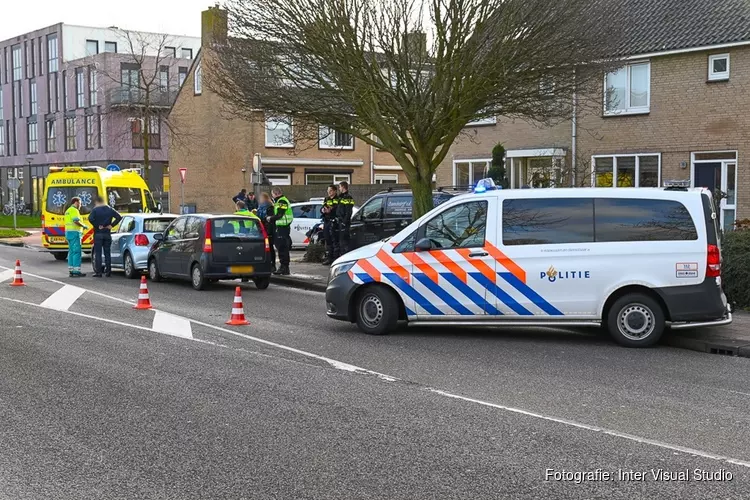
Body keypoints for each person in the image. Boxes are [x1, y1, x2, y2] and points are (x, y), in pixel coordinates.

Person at [88, 196, 123, 277]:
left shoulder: (95, 210)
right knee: (107, 253)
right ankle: (108, 271)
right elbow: (119, 217)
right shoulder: (110, 209)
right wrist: (111, 225)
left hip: (98, 234)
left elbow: (90, 218)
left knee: (98, 254)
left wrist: (97, 225)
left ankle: (99, 272)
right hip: (107, 233)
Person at [267, 186, 293, 275]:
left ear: (275, 193)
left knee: (282, 248)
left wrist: (270, 218)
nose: (272, 196)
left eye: (272, 194)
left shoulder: (282, 201)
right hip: (282, 227)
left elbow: (279, 215)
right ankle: (284, 267)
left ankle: (284, 267)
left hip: (282, 227)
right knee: (282, 247)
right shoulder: (280, 201)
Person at [64, 197, 87, 278]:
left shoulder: (67, 210)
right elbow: (75, 221)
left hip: (68, 233)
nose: (81, 205)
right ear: (76, 202)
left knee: (71, 252)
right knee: (77, 252)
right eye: (80, 203)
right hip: (75, 233)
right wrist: (83, 225)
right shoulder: (74, 210)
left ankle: (71, 270)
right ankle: (76, 271)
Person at [257, 192, 276, 272]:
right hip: (262, 229)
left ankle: (272, 264)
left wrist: (269, 232)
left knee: (270, 247)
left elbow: (269, 220)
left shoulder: (269, 207)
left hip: (268, 230)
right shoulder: (260, 207)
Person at [321, 184, 339, 265]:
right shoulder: (326, 199)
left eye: (330, 191)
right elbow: (322, 208)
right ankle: (329, 258)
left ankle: (335, 259)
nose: (329, 192)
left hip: (334, 221)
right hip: (327, 221)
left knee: (335, 241)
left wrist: (331, 210)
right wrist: (323, 210)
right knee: (327, 240)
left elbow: (337, 209)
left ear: (335, 191)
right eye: (328, 191)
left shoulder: (338, 199)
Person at [336, 181, 355, 256]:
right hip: (340, 222)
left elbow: (348, 211)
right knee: (341, 241)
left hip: (344, 223)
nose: (339, 188)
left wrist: (344, 222)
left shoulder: (348, 197)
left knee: (344, 242)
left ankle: (345, 256)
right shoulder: (341, 197)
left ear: (343, 187)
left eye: (340, 187)